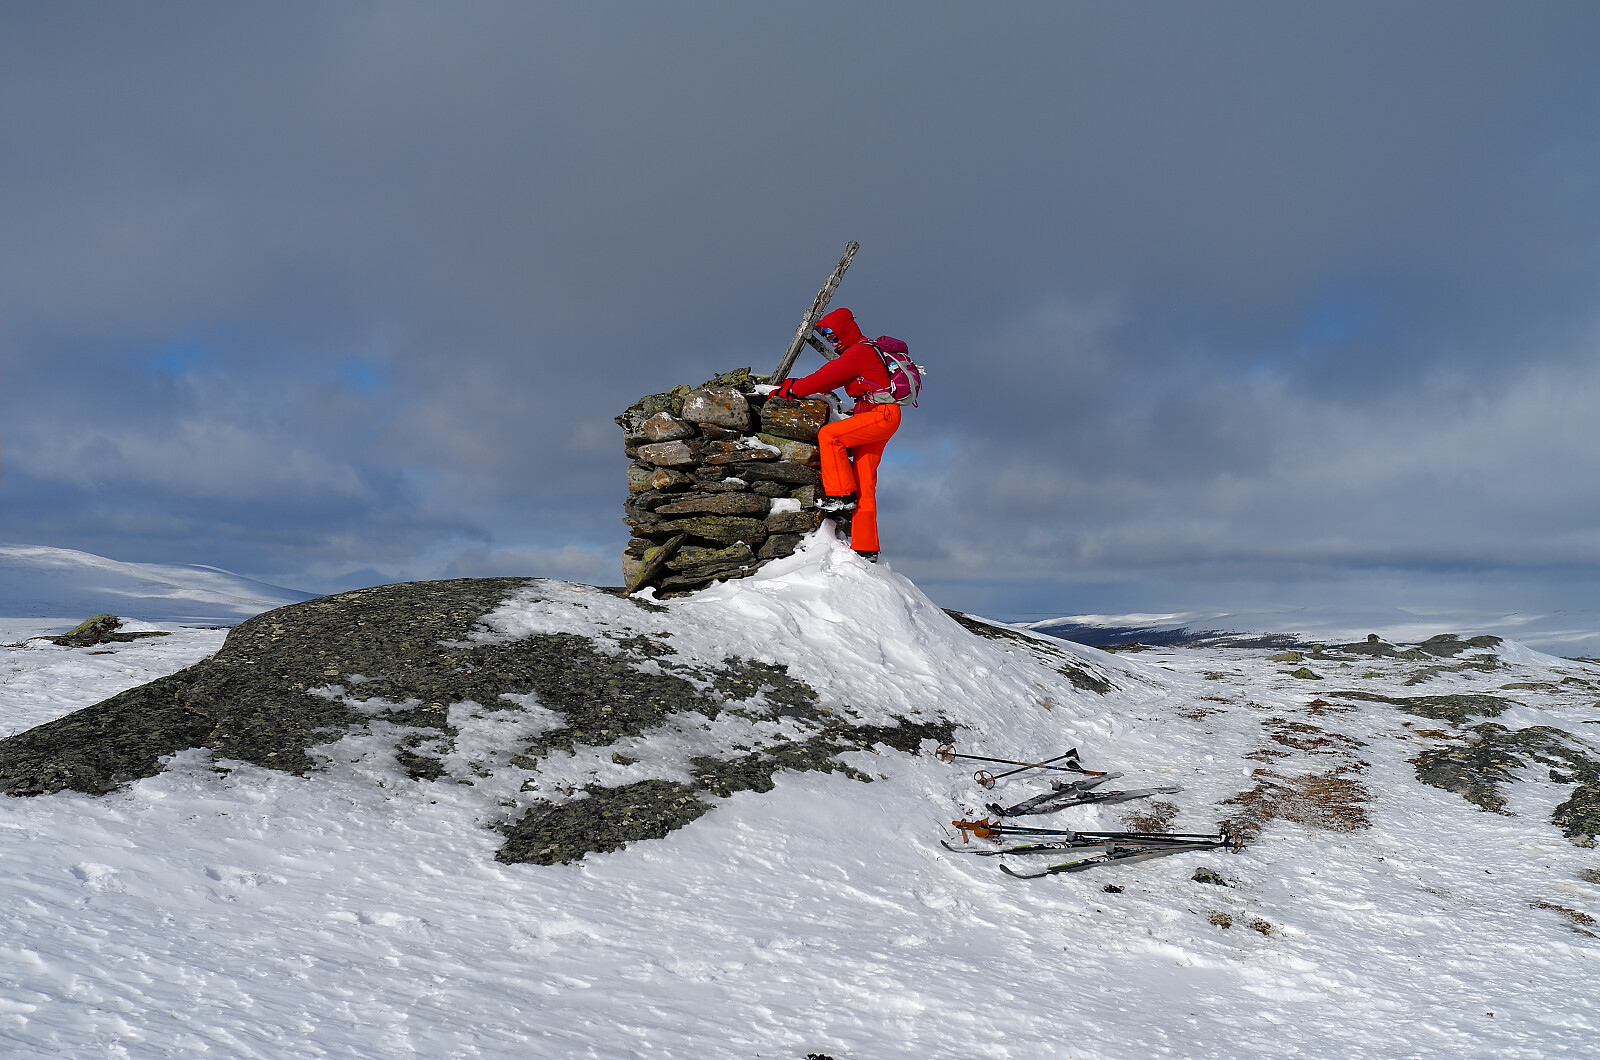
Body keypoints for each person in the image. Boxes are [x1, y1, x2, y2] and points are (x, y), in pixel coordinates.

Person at [772, 307, 901, 562]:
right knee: (865, 483)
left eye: (834, 335)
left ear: (845, 330)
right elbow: (830, 378)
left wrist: (792, 390)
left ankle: (840, 495)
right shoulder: (863, 350)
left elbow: (826, 377)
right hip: (878, 415)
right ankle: (866, 548)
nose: (833, 342)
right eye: (828, 337)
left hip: (880, 415)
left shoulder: (860, 352)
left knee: (830, 436)